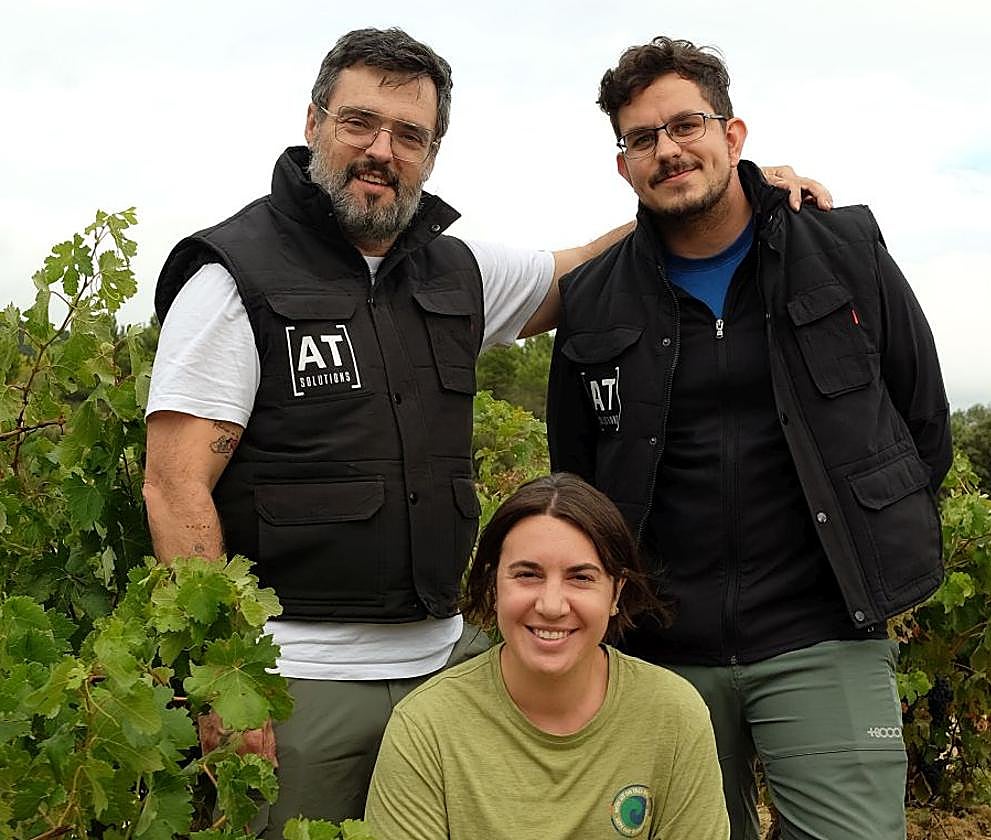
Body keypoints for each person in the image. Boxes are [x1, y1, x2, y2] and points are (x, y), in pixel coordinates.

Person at [142, 27, 826, 835]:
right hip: (298, 682)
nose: (382, 151)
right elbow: (174, 485)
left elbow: (580, 269)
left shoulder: (456, 272)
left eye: (410, 135)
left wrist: (736, 193)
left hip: (449, 670)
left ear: (433, 152)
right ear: (314, 121)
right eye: (360, 123)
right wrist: (225, 679)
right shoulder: (233, 277)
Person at [547, 37, 952, 840]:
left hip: (823, 632)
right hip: (660, 653)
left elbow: (924, 423)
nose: (668, 149)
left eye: (686, 125)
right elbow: (579, 475)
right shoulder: (592, 299)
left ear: (732, 136)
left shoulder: (844, 249)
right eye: (642, 138)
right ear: (624, 165)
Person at [365, 473, 728, 840]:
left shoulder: (673, 714)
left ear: (616, 592)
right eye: (528, 574)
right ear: (493, 586)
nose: (552, 606)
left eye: (581, 578)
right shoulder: (426, 727)